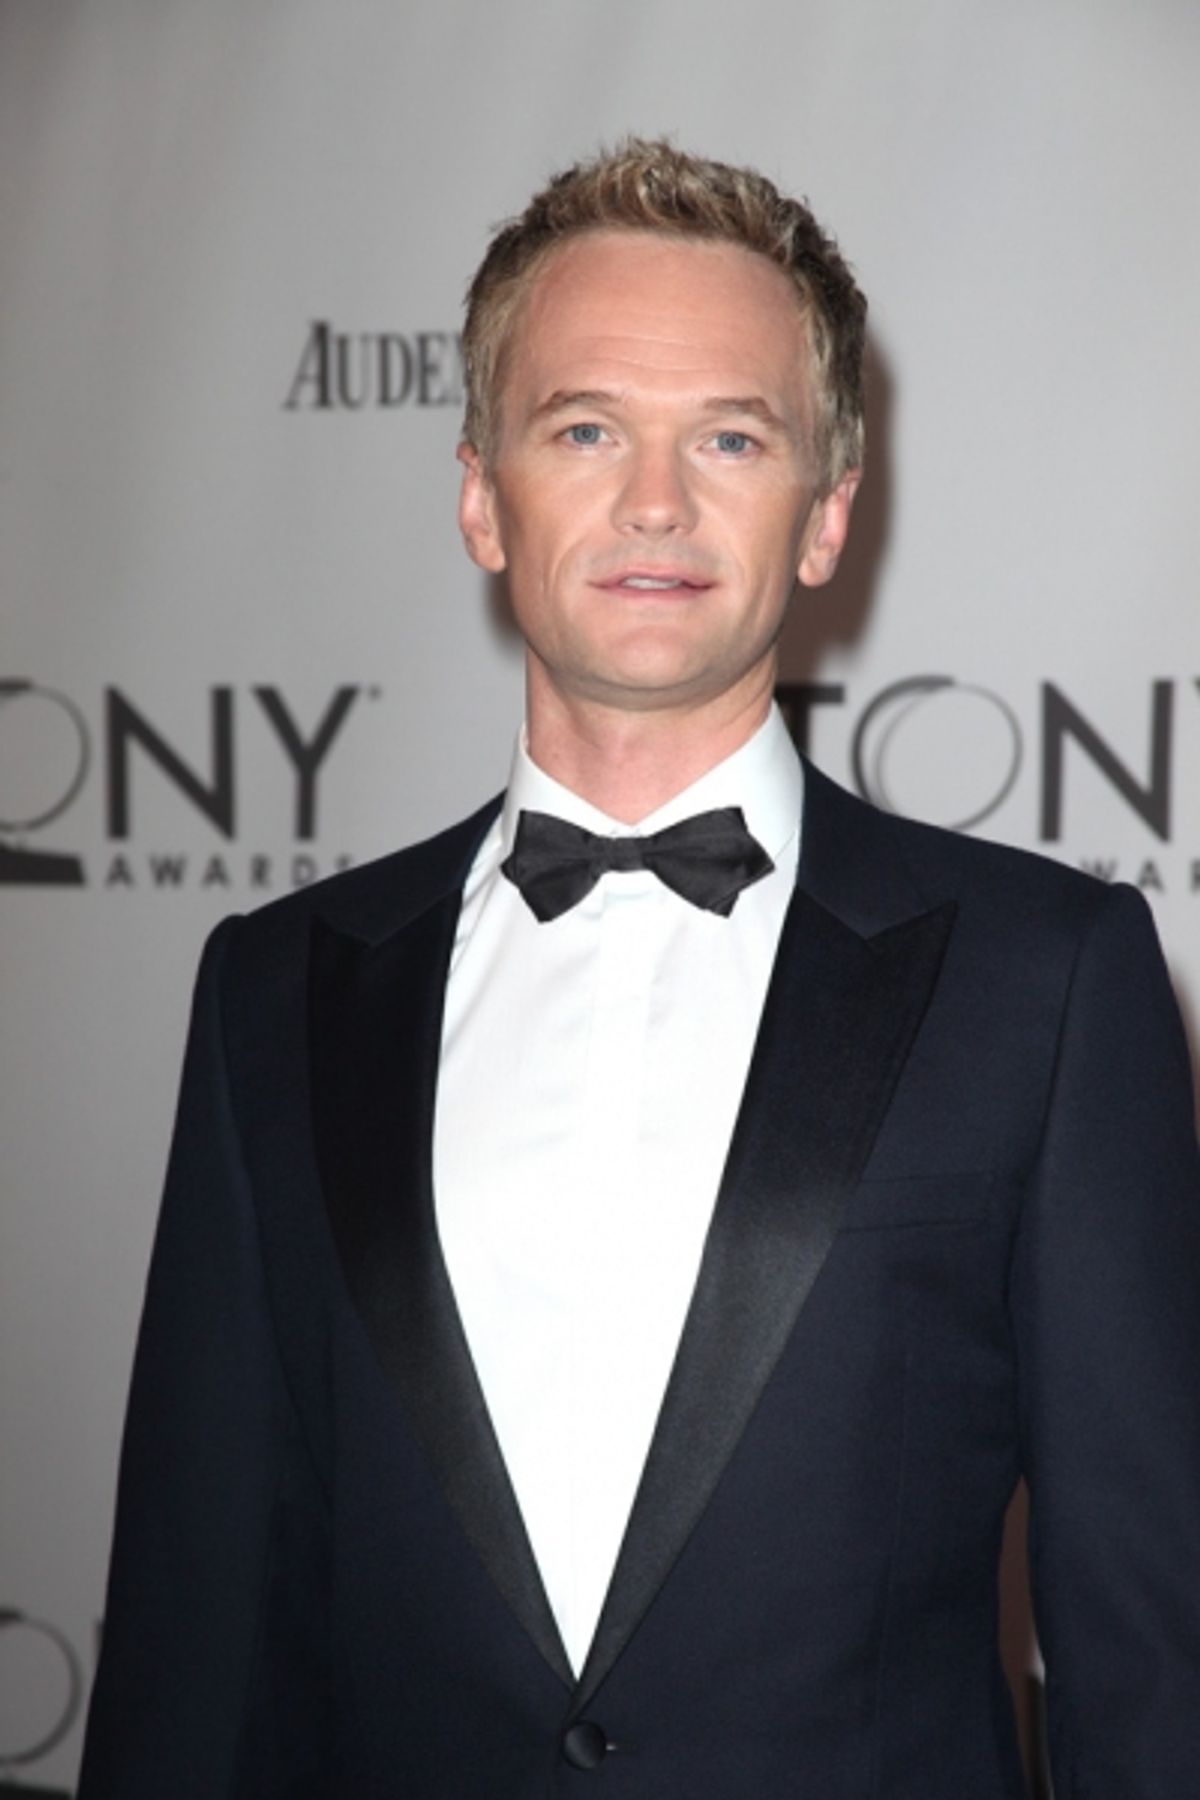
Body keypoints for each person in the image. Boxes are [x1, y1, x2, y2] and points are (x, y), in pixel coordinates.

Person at [79, 139, 1200, 1798]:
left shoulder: (1052, 981)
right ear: (481, 495)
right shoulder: (275, 988)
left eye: (729, 438)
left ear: (823, 518)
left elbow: (1149, 1656)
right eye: (586, 427)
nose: (656, 501)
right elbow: (196, 1633)